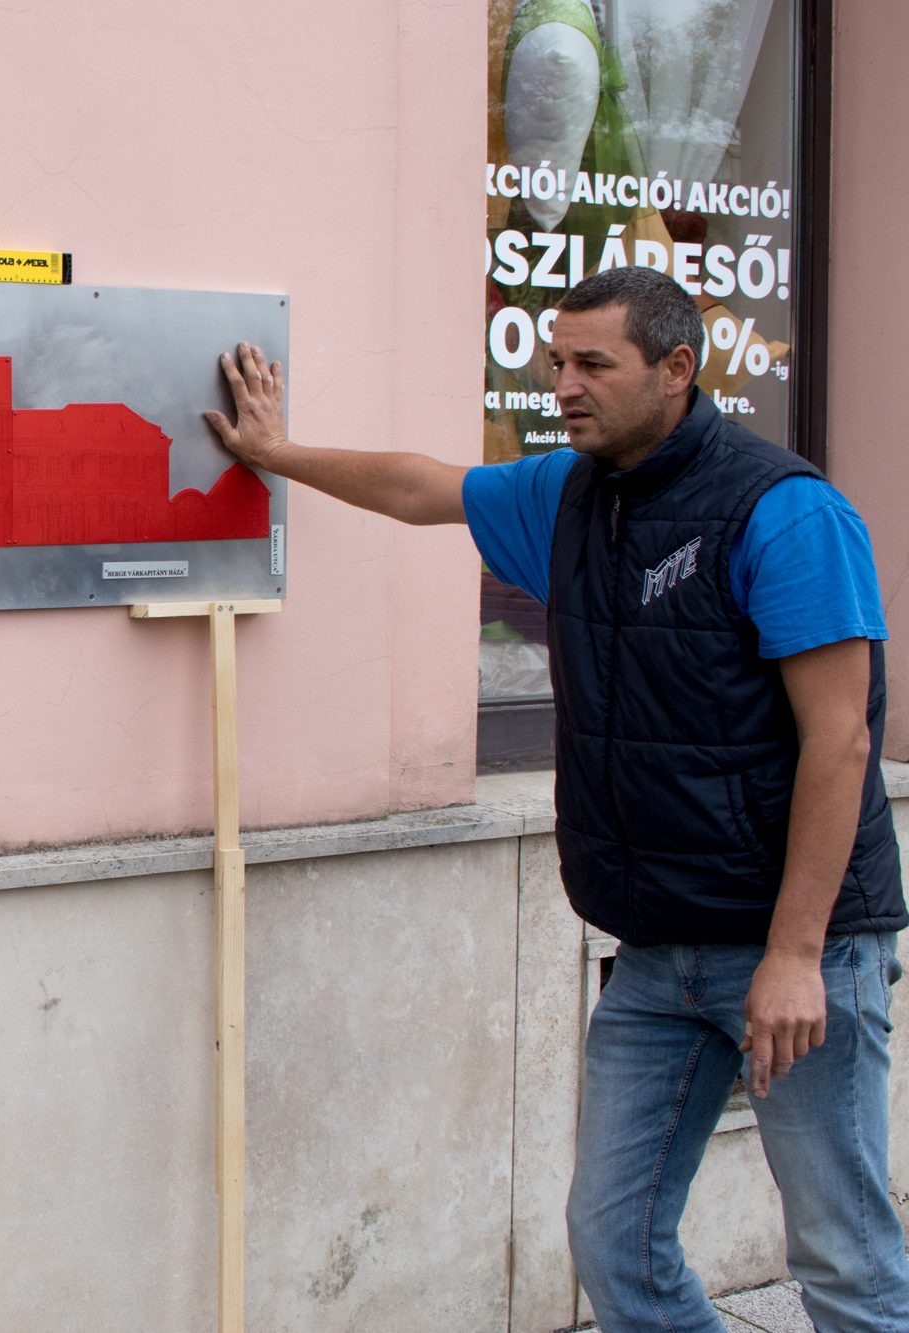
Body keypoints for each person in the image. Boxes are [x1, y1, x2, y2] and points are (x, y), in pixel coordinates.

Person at [205, 263, 908, 1333]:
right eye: (554, 362)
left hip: (792, 947)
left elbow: (840, 739)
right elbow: (422, 488)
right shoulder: (566, 497)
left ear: (675, 368)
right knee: (613, 1242)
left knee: (841, 1254)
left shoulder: (783, 511)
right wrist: (275, 453)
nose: (562, 385)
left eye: (591, 364)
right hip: (656, 950)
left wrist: (795, 954)